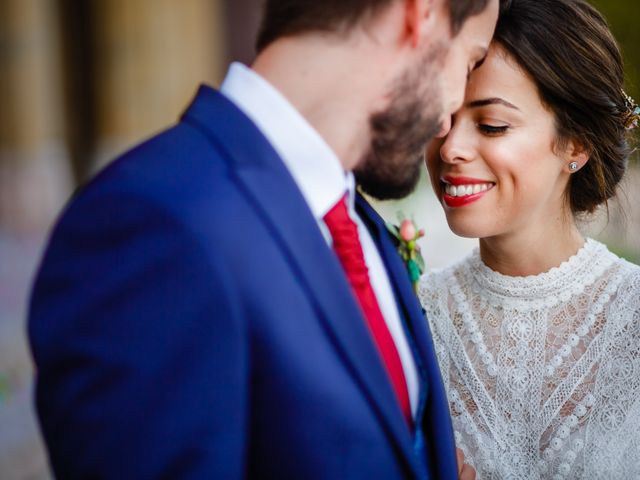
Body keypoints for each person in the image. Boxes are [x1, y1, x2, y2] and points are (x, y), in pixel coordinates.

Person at [28, 0, 499, 478]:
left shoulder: (361, 224)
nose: (448, 120)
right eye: (470, 61)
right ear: (422, 14)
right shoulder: (151, 222)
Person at [419, 0, 640, 478]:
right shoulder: (415, 317)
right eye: (442, 118)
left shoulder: (634, 314)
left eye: (492, 125)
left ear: (576, 143)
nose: (452, 149)